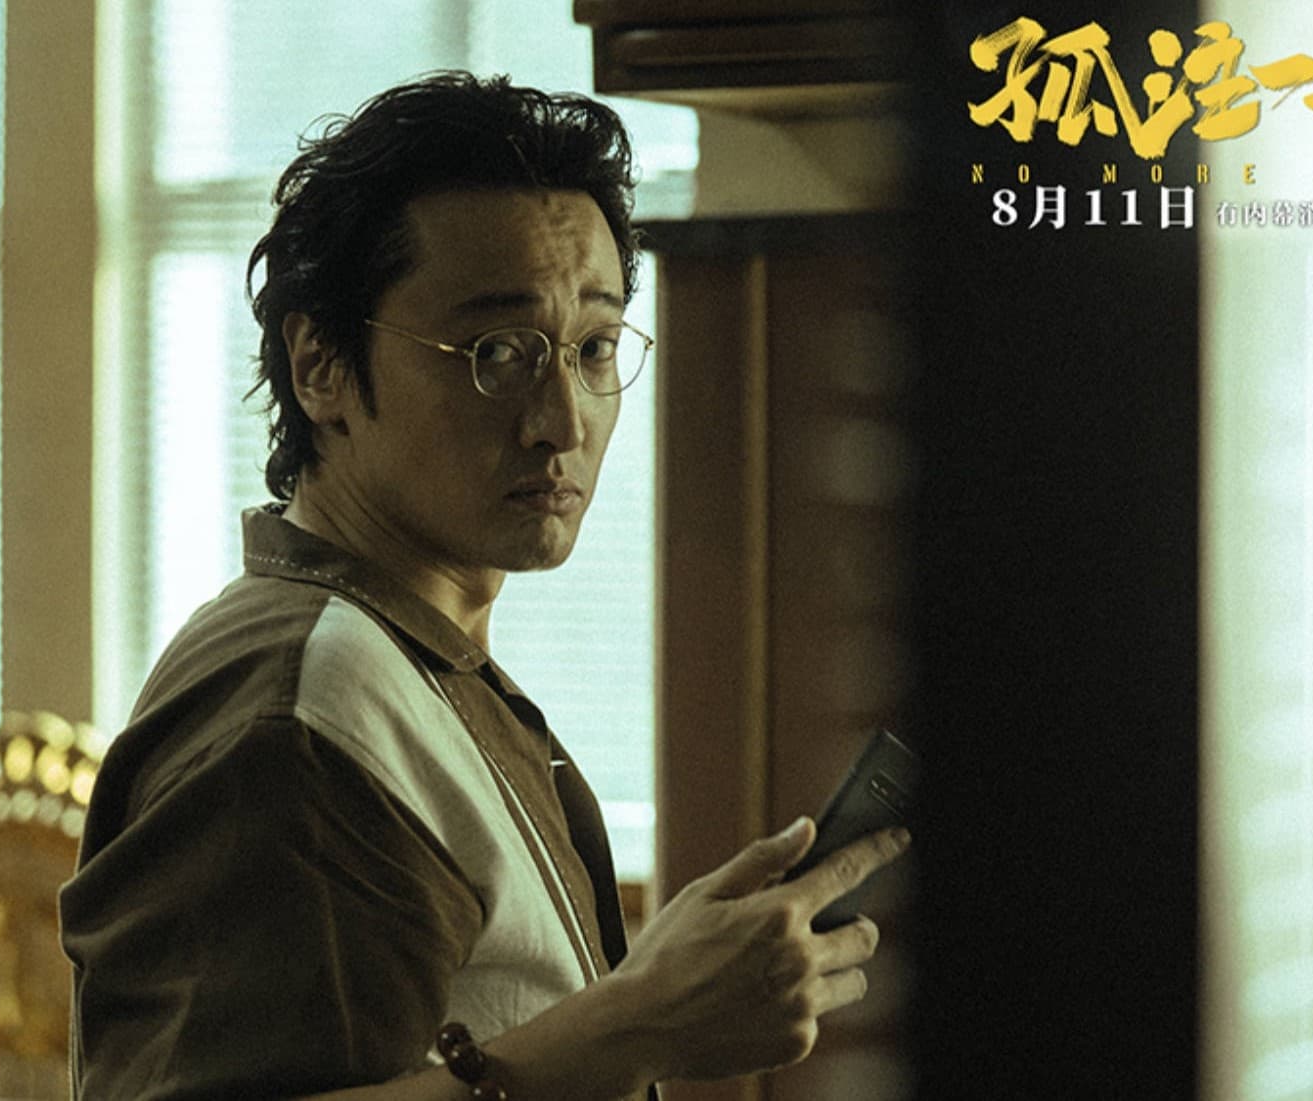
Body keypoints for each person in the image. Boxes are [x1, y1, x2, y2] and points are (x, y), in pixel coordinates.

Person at [58, 71, 910, 1101]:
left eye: (594, 348)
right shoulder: (300, 705)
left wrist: (644, 1004)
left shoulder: (405, 657)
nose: (563, 419)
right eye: (497, 351)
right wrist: (637, 1024)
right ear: (321, 366)